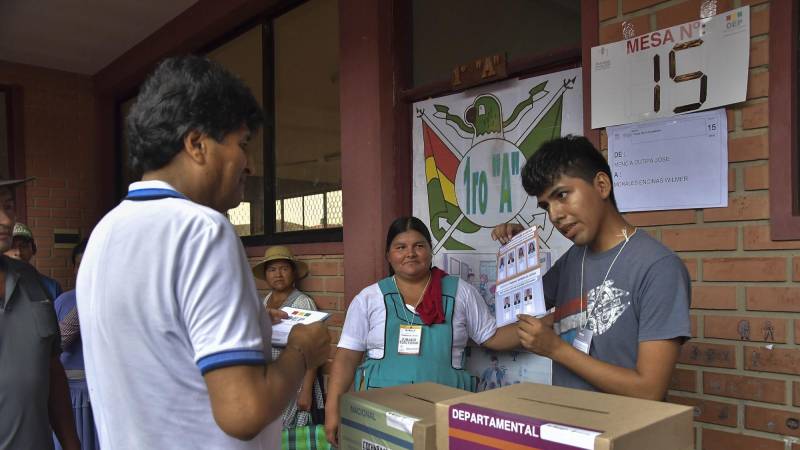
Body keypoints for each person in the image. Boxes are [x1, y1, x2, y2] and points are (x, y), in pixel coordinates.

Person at [76, 55, 330, 449]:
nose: (249, 164)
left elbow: (159, 342)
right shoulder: (201, 230)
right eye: (242, 144)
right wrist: (301, 349)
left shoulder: (104, 233)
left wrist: (253, 320)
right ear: (196, 144)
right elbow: (243, 411)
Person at [492, 135, 690, 400]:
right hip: (567, 430)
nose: (555, 215)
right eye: (546, 206)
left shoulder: (659, 268)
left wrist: (556, 349)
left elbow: (649, 390)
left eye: (562, 195)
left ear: (601, 185)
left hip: (624, 437)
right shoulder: (572, 262)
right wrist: (518, 255)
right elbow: (513, 324)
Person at [324, 216, 520, 446]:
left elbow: (493, 336)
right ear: (388, 255)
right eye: (400, 247)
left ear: (430, 250)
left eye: (419, 246)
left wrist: (545, 326)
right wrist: (332, 409)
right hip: (379, 415)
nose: (410, 253)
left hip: (445, 412)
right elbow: (347, 357)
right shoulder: (369, 298)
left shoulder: (460, 293)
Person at [0, 177, 80, 450]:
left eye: (9, 207)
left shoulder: (31, 281)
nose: (5, 220)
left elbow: (52, 368)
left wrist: (71, 443)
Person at [251, 246, 325, 430]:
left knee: (289, 433)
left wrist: (306, 390)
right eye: (272, 269)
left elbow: (312, 349)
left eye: (284, 268)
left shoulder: (302, 303)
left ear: (293, 273)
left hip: (295, 381)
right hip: (271, 380)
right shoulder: (264, 302)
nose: (278, 274)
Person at [53, 239, 98, 450]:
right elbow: (58, 341)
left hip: (98, 391)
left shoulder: (108, 299)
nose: (85, 270)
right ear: (73, 268)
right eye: (80, 265)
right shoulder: (64, 301)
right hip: (69, 394)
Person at [5, 222, 63, 299]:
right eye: (11, 247)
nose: (18, 252)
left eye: (24, 246)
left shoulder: (51, 287)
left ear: (33, 249)